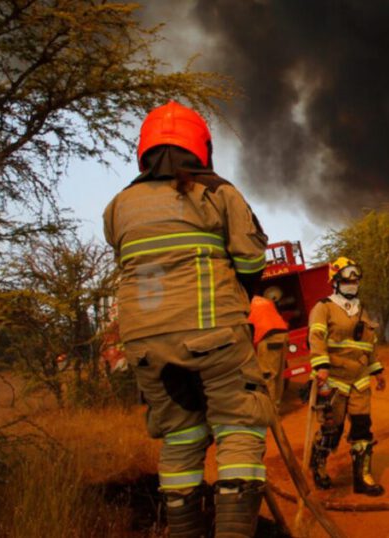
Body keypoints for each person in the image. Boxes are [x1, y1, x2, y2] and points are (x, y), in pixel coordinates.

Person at [103, 101, 274, 538]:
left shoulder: (118, 205)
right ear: (202, 148)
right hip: (213, 333)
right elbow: (251, 261)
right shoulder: (216, 192)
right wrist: (242, 300)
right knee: (239, 423)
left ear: (144, 152)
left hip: (145, 346)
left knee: (181, 436)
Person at [307, 257, 386, 496]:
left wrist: (377, 371)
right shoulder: (324, 307)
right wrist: (321, 366)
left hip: (359, 381)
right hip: (333, 380)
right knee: (332, 430)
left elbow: (369, 345)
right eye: (347, 281)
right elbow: (316, 338)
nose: (352, 284)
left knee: (362, 428)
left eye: (355, 281)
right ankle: (318, 467)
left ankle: (363, 479)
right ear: (335, 282)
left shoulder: (362, 310)